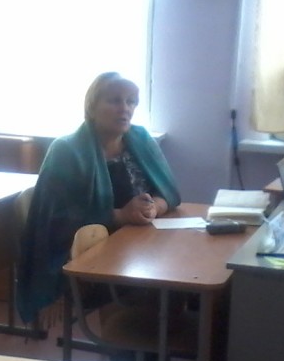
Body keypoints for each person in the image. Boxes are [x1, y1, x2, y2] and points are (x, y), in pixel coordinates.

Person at [16, 71, 181, 324]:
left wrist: (154, 208)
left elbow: (168, 191)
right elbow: (55, 219)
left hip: (144, 241)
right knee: (162, 286)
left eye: (131, 102)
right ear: (92, 107)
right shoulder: (66, 150)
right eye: (114, 101)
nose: (124, 108)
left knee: (186, 277)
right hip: (90, 254)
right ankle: (132, 343)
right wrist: (120, 215)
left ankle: (157, 342)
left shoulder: (141, 139)